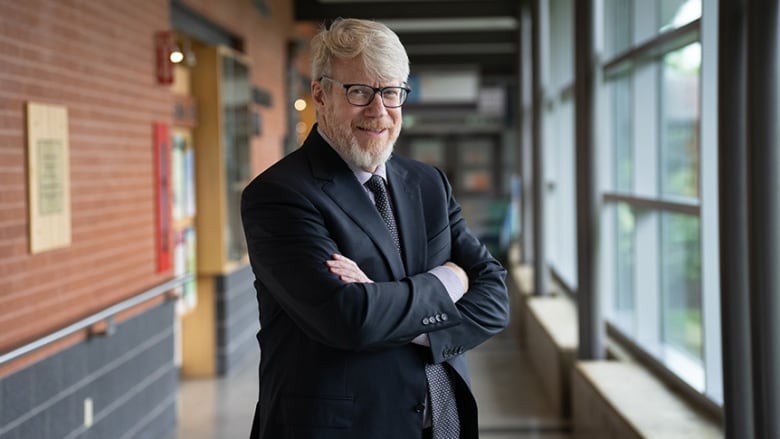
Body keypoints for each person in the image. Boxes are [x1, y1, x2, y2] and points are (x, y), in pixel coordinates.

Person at [240, 17, 509, 439]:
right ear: (320, 95)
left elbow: (495, 298)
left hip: (443, 425)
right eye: (360, 91)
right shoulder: (279, 195)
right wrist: (449, 279)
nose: (379, 111)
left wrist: (402, 316)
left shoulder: (428, 183)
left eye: (391, 92)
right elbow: (351, 319)